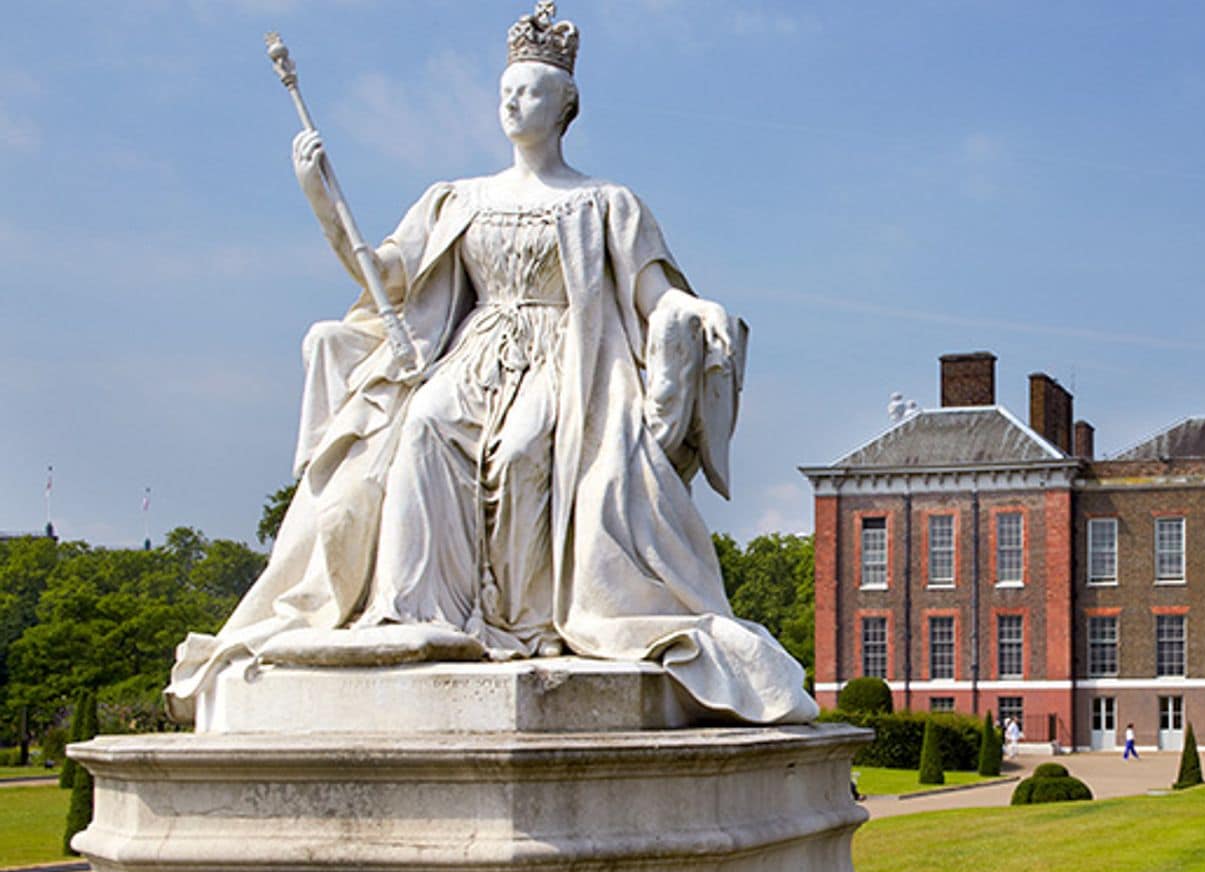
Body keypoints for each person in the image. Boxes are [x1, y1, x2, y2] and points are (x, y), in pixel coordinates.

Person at [165, 3, 813, 726]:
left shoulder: (607, 203)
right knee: (422, 434)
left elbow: (653, 293)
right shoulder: (458, 198)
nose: (513, 99)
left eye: (531, 89)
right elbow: (383, 274)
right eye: (506, 88)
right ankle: (413, 613)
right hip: (474, 353)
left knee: (527, 452)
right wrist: (322, 201)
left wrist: (695, 311)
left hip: (566, 360)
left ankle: (528, 625)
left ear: (566, 103)